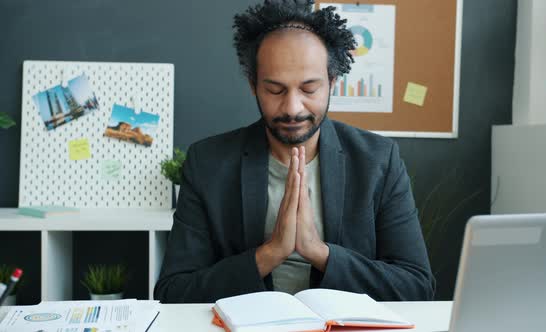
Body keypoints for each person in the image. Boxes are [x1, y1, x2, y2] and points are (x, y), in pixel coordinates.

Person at [154, 0, 435, 303]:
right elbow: (174, 292)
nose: (292, 108)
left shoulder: (378, 161)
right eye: (275, 90)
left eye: (309, 89)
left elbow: (416, 286)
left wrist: (319, 252)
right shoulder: (208, 164)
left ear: (333, 83)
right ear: (253, 85)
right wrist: (270, 253)